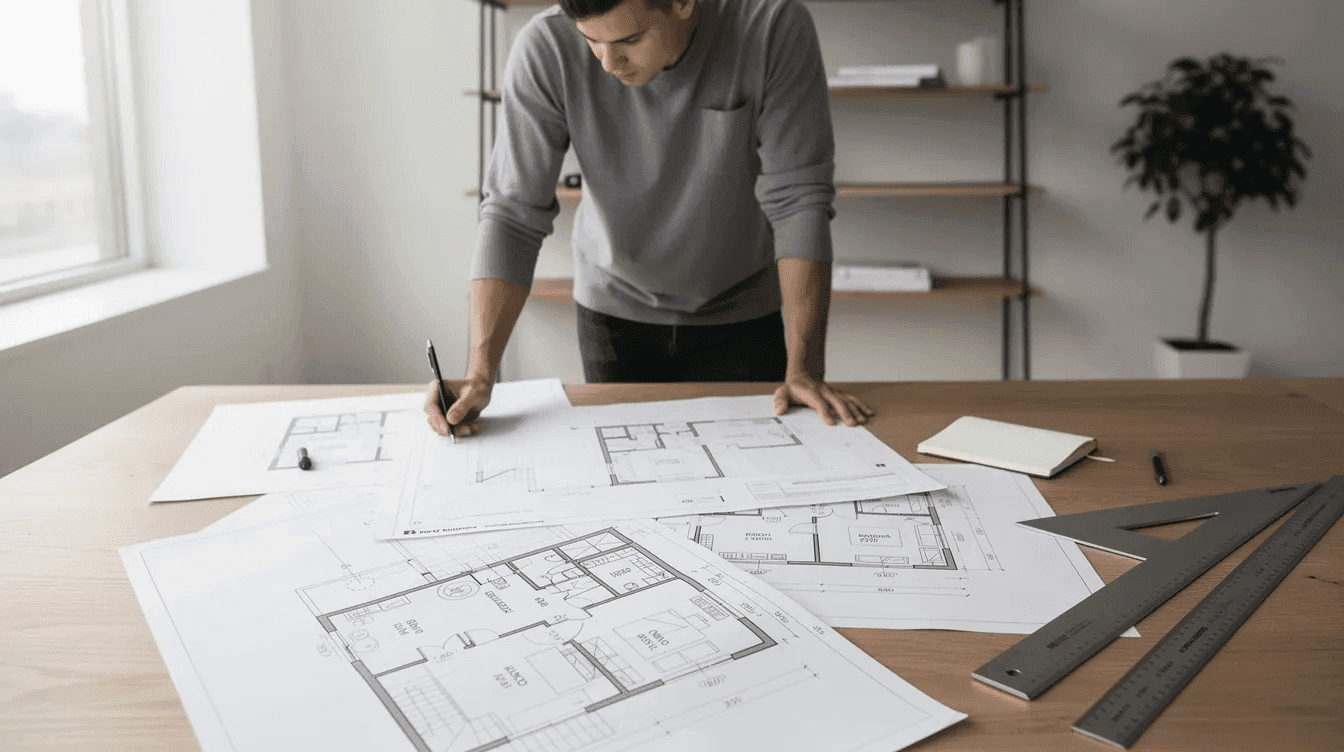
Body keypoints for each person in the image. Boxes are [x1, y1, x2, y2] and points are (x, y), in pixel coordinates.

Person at [425, 0, 873, 437]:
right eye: (591, 41)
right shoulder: (544, 47)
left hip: (741, 312)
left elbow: (800, 201)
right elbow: (511, 214)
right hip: (612, 312)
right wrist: (479, 372)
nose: (608, 63)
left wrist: (806, 367)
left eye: (629, 40)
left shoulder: (773, 25)